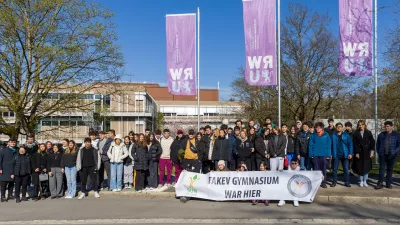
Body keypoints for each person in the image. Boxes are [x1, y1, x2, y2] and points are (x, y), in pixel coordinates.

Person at [375, 121, 400, 189]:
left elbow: (399, 145)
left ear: (391, 126)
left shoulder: (396, 135)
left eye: (388, 126)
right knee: (382, 169)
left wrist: (395, 151)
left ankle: (388, 183)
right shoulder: (381, 135)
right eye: (385, 126)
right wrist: (379, 152)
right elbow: (377, 145)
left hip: (392, 154)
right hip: (383, 154)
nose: (386, 128)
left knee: (390, 169)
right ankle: (380, 183)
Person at [352, 120, 375, 187]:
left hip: (367, 153)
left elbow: (372, 143)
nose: (361, 126)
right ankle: (361, 181)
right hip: (359, 153)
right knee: (360, 167)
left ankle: (365, 181)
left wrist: (372, 152)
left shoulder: (368, 132)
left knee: (366, 168)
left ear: (364, 125)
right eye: (359, 125)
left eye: (362, 124)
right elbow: (355, 144)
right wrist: (356, 153)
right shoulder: (355, 133)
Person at [309, 122, 332, 188]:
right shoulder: (313, 135)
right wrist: (311, 154)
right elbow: (311, 145)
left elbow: (328, 145)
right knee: (316, 170)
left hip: (324, 155)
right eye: (316, 127)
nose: (317, 129)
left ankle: (323, 182)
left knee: (323, 169)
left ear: (322, 128)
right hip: (315, 155)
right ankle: (317, 182)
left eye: (319, 127)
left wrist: (328, 155)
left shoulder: (326, 135)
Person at [331, 123, 353, 188]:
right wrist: (330, 154)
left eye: (340, 126)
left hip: (345, 155)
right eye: (337, 126)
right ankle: (334, 182)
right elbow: (330, 145)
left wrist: (350, 153)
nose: (339, 128)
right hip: (336, 155)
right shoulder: (333, 135)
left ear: (342, 127)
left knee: (346, 169)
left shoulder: (346, 135)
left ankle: (347, 182)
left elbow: (350, 145)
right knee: (335, 169)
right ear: (336, 127)